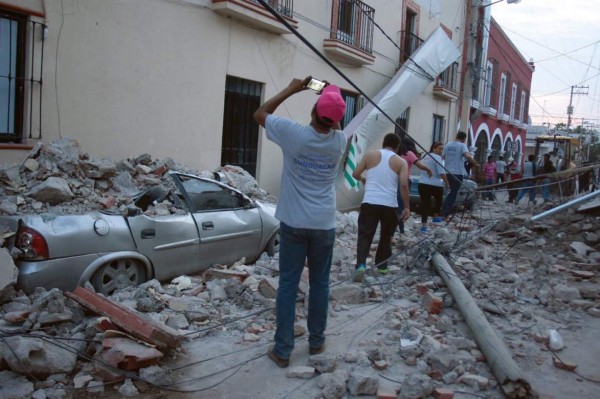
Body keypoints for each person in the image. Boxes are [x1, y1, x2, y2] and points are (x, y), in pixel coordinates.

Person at [254, 76, 347, 368]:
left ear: (313, 111)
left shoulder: (293, 133)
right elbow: (333, 120)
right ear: (335, 121)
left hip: (294, 223)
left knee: (288, 286)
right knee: (320, 284)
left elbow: (260, 114)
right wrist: (331, 94)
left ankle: (283, 351)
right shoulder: (339, 141)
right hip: (323, 224)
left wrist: (294, 88)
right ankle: (316, 343)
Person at [352, 133, 410, 282]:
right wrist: (407, 207)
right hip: (389, 204)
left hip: (370, 202)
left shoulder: (370, 154)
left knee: (365, 234)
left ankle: (360, 266)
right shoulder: (401, 162)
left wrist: (364, 179)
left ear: (383, 143)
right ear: (397, 147)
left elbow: (355, 173)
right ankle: (382, 266)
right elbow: (403, 185)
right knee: (386, 235)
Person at [396, 137, 432, 234]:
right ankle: (401, 229)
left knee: (396, 204)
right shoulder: (409, 154)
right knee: (402, 206)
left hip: (394, 181)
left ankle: (395, 228)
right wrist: (428, 169)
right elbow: (419, 165)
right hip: (405, 181)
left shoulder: (396, 154)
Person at [440, 131, 479, 219]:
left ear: (456, 136)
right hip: (458, 173)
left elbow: (442, 157)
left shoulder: (448, 145)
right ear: (464, 139)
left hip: (447, 172)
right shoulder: (462, 145)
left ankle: (444, 211)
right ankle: (444, 213)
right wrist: (476, 164)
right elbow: (468, 156)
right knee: (453, 194)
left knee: (449, 193)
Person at [417, 142, 449, 233]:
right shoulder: (438, 158)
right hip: (435, 184)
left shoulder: (425, 156)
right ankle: (435, 216)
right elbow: (441, 173)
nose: (441, 151)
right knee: (438, 200)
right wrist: (447, 183)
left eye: (442, 149)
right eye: (439, 149)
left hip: (422, 183)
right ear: (434, 148)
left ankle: (424, 226)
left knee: (425, 204)